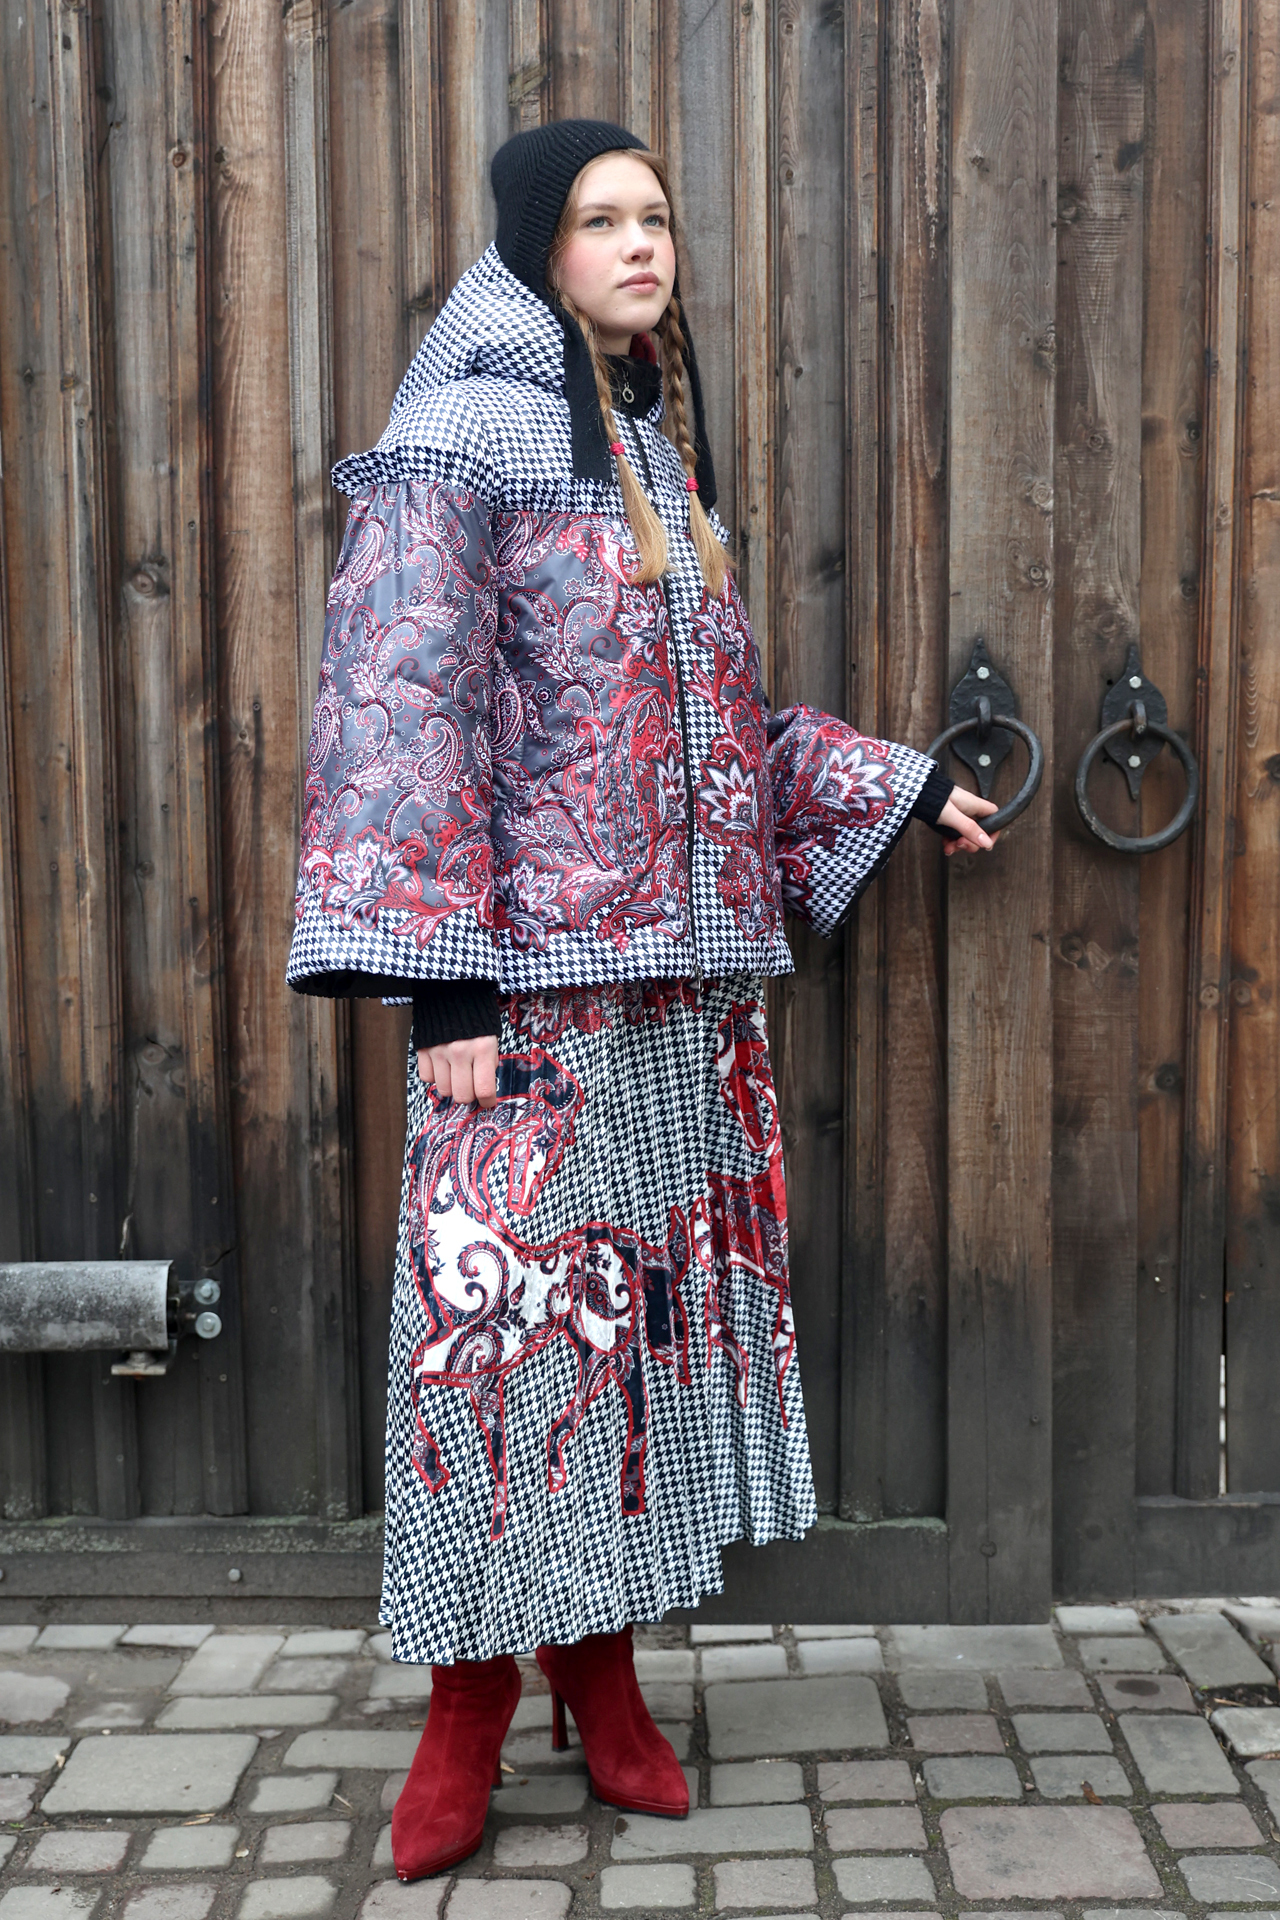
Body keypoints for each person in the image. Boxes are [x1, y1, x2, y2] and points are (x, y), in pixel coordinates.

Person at [287, 119, 998, 1882]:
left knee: (630, 1351)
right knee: (495, 1351)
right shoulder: (460, 440)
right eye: (602, 218)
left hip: (677, 1003)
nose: (640, 243)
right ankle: (466, 1707)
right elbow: (400, 706)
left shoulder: (657, 461)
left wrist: (893, 783)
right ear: (537, 246)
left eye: (657, 217)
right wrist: (438, 989)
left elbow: (705, 735)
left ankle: (600, 1681)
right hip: (525, 1004)